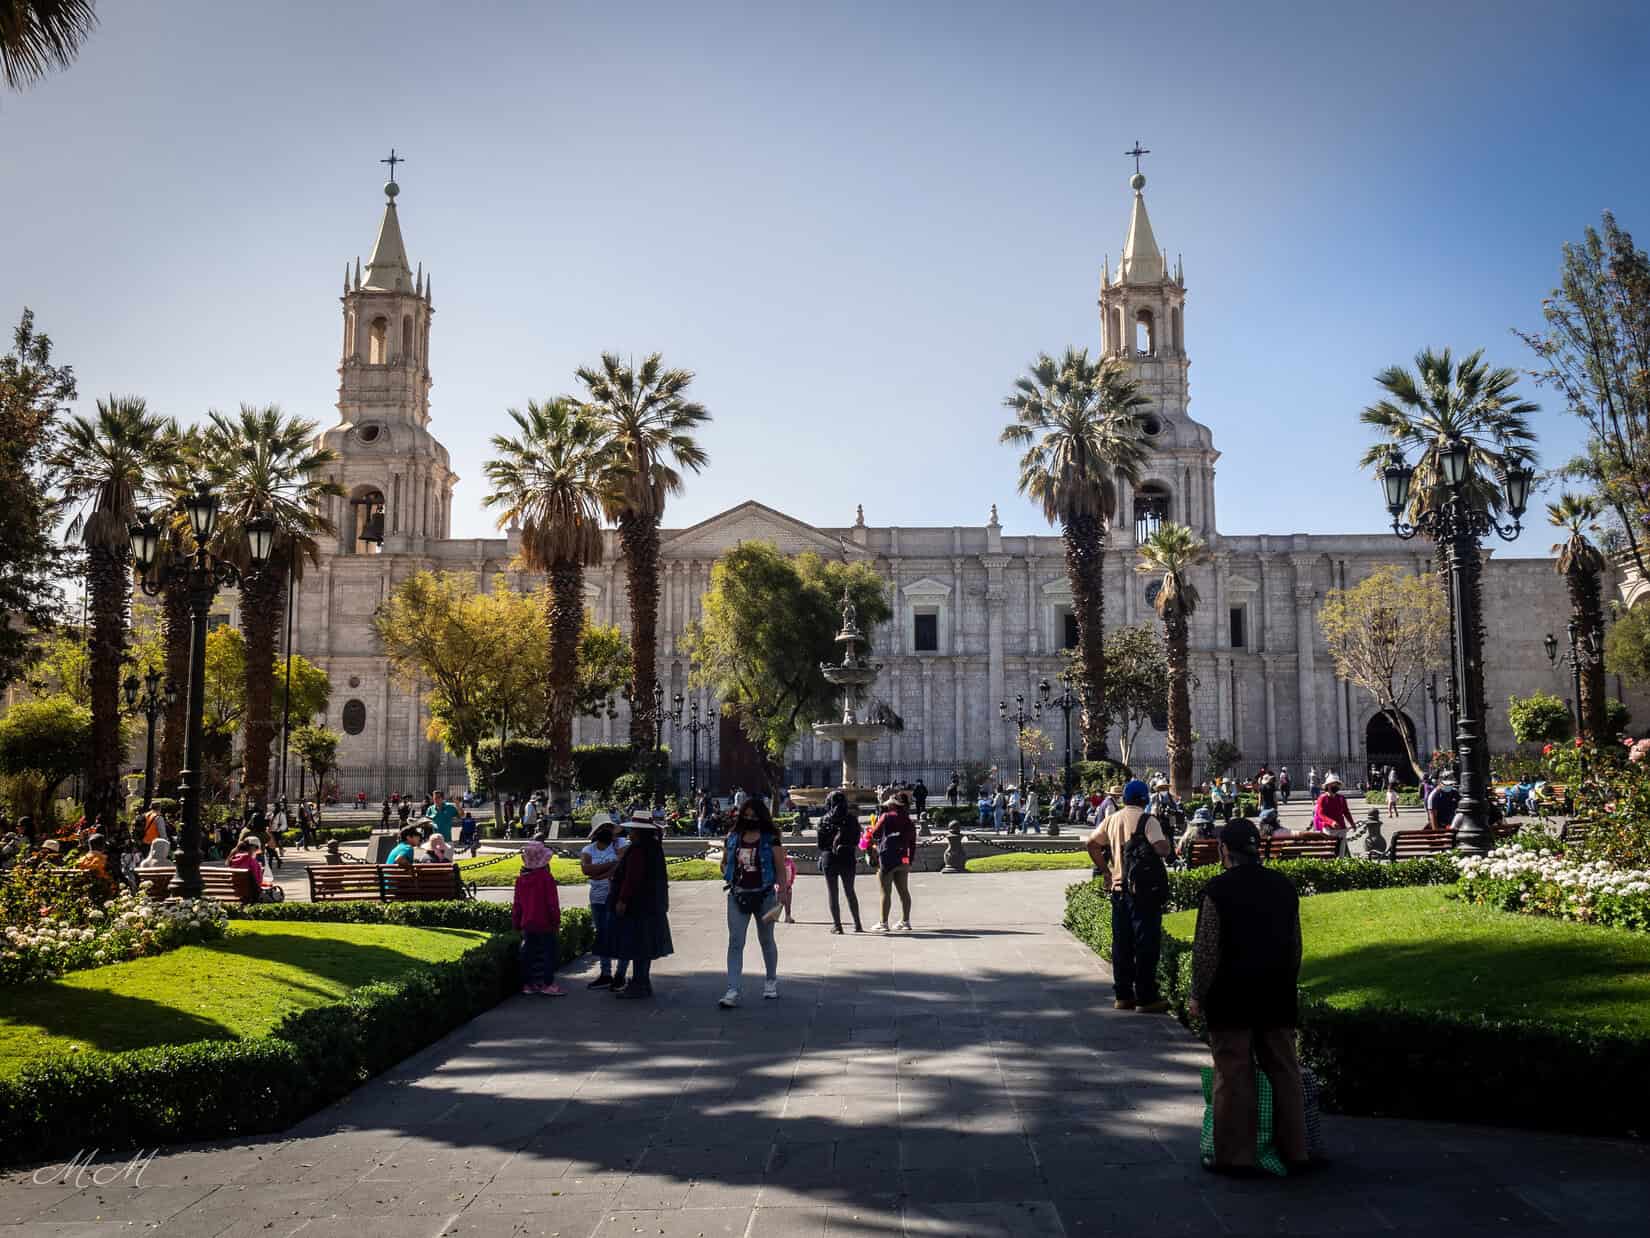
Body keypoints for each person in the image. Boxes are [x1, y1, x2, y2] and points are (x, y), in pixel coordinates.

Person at [1187, 818, 1311, 1175]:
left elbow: (1207, 951)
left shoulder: (1217, 890)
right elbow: (1295, 946)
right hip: (1276, 991)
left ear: (1224, 850)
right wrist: (1287, 982)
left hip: (1231, 994)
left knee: (1233, 1072)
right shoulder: (1284, 886)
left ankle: (1235, 1156)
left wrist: (1198, 994)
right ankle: (1296, 1150)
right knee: (1285, 1070)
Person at [1085, 779, 1171, 1013]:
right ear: (1145, 799)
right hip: (1143, 893)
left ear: (1125, 798)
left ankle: (1123, 995)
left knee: (1122, 944)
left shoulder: (1112, 819)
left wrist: (1106, 871)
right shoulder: (1148, 820)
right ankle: (1146, 997)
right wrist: (1166, 842)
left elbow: (1092, 844)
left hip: (1119, 890)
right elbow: (1162, 849)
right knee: (1146, 944)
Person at [719, 797, 790, 1007]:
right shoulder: (733, 837)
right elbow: (724, 864)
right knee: (735, 942)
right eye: (746, 815)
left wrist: (783, 892)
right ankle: (732, 989)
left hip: (765, 895)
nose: (749, 819)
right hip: (737, 894)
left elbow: (779, 867)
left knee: (766, 940)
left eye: (753, 815)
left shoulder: (771, 839)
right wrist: (729, 872)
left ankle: (770, 981)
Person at [608, 813, 672, 999]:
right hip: (652, 903)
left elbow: (632, 878)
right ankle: (642, 981)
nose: (629, 833)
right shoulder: (654, 847)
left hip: (638, 905)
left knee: (637, 945)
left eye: (632, 830)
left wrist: (622, 899)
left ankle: (639, 983)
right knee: (644, 946)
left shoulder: (637, 850)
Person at [512, 840, 565, 996]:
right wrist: (556, 921)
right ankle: (547, 983)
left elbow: (517, 904)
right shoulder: (546, 878)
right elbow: (552, 903)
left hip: (527, 922)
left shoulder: (521, 880)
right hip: (546, 922)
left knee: (529, 953)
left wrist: (516, 923)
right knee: (549, 953)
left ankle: (528, 984)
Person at [581, 819, 629, 989]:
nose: (606, 830)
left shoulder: (622, 844)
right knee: (602, 936)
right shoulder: (588, 849)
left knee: (621, 936)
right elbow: (586, 869)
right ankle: (606, 973)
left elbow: (623, 866)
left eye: (608, 827)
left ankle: (620, 975)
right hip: (598, 898)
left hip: (616, 896)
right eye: (603, 828)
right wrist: (612, 865)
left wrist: (601, 872)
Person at [816, 789, 864, 933]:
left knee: (833, 892)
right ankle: (858, 924)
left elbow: (820, 844)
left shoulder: (823, 820)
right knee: (850, 891)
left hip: (829, 858)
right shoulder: (851, 819)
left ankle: (837, 926)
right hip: (848, 857)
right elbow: (857, 840)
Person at [868, 792, 917, 932]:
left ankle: (883, 923)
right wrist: (910, 860)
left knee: (885, 892)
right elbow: (912, 843)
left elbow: (875, 834)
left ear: (893, 804)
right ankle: (905, 921)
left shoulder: (886, 817)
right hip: (903, 858)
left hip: (887, 858)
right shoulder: (908, 820)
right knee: (904, 891)